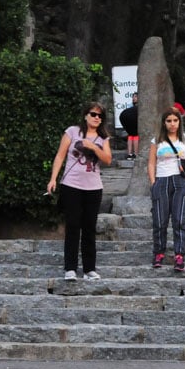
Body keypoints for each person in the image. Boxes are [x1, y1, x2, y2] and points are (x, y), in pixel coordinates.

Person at [47, 101, 113, 281]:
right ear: (85, 115)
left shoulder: (103, 138)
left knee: (89, 227)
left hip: (93, 187)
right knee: (73, 226)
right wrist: (53, 179)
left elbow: (108, 159)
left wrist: (93, 147)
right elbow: (60, 155)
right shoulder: (72, 132)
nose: (97, 118)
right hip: (72, 185)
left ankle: (89, 269)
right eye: (93, 114)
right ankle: (70, 268)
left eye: (100, 116)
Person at [148, 106, 185, 272]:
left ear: (179, 121)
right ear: (164, 123)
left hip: (181, 181)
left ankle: (179, 255)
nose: (172, 124)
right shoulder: (157, 141)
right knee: (160, 220)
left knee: (179, 219)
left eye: (175, 120)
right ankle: (159, 252)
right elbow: (151, 162)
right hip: (162, 179)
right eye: (169, 121)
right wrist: (153, 182)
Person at [119, 92, 139, 160]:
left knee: (131, 135)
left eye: (135, 96)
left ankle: (131, 154)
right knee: (134, 135)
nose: (133, 98)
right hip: (132, 120)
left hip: (129, 119)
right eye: (133, 97)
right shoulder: (133, 108)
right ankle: (134, 154)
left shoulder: (134, 108)